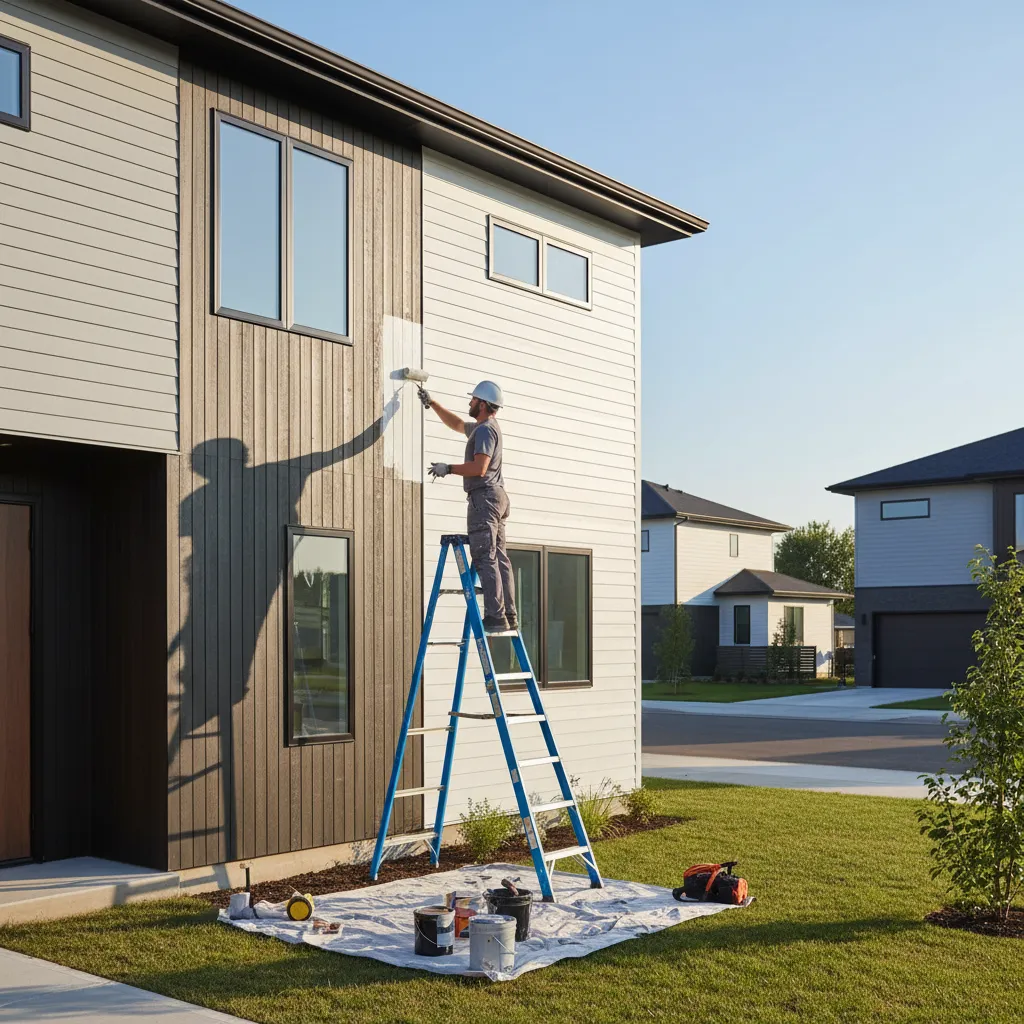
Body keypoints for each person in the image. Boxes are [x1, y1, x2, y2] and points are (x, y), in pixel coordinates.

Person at [419, 380, 517, 633]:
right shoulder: (484, 428)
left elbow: (479, 468)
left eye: (473, 400)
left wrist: (448, 468)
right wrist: (432, 404)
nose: (470, 403)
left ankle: (495, 618)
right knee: (500, 558)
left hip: (484, 498)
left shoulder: (485, 431)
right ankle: (508, 614)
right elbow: (458, 424)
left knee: (486, 556)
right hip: (497, 497)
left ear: (483, 404)